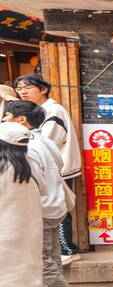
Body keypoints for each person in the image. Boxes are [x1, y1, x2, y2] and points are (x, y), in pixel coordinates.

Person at [3, 101, 79, 287]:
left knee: (40, 258)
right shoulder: (45, 140)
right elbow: (58, 168)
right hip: (56, 205)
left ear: (21, 120)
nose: (4, 120)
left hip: (42, 209)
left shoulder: (27, 148)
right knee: (52, 256)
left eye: (6, 116)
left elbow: (36, 180)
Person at [14, 75, 81, 263]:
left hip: (58, 168)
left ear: (43, 89)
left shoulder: (54, 110)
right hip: (46, 167)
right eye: (20, 88)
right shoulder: (39, 110)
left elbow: (48, 140)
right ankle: (58, 250)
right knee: (54, 207)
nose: (23, 92)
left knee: (59, 207)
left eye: (28, 88)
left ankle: (68, 249)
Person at [0, 122, 50, 287]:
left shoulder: (2, 167)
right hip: (29, 228)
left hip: (4, 232)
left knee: (7, 280)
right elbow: (45, 187)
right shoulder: (27, 164)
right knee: (24, 272)